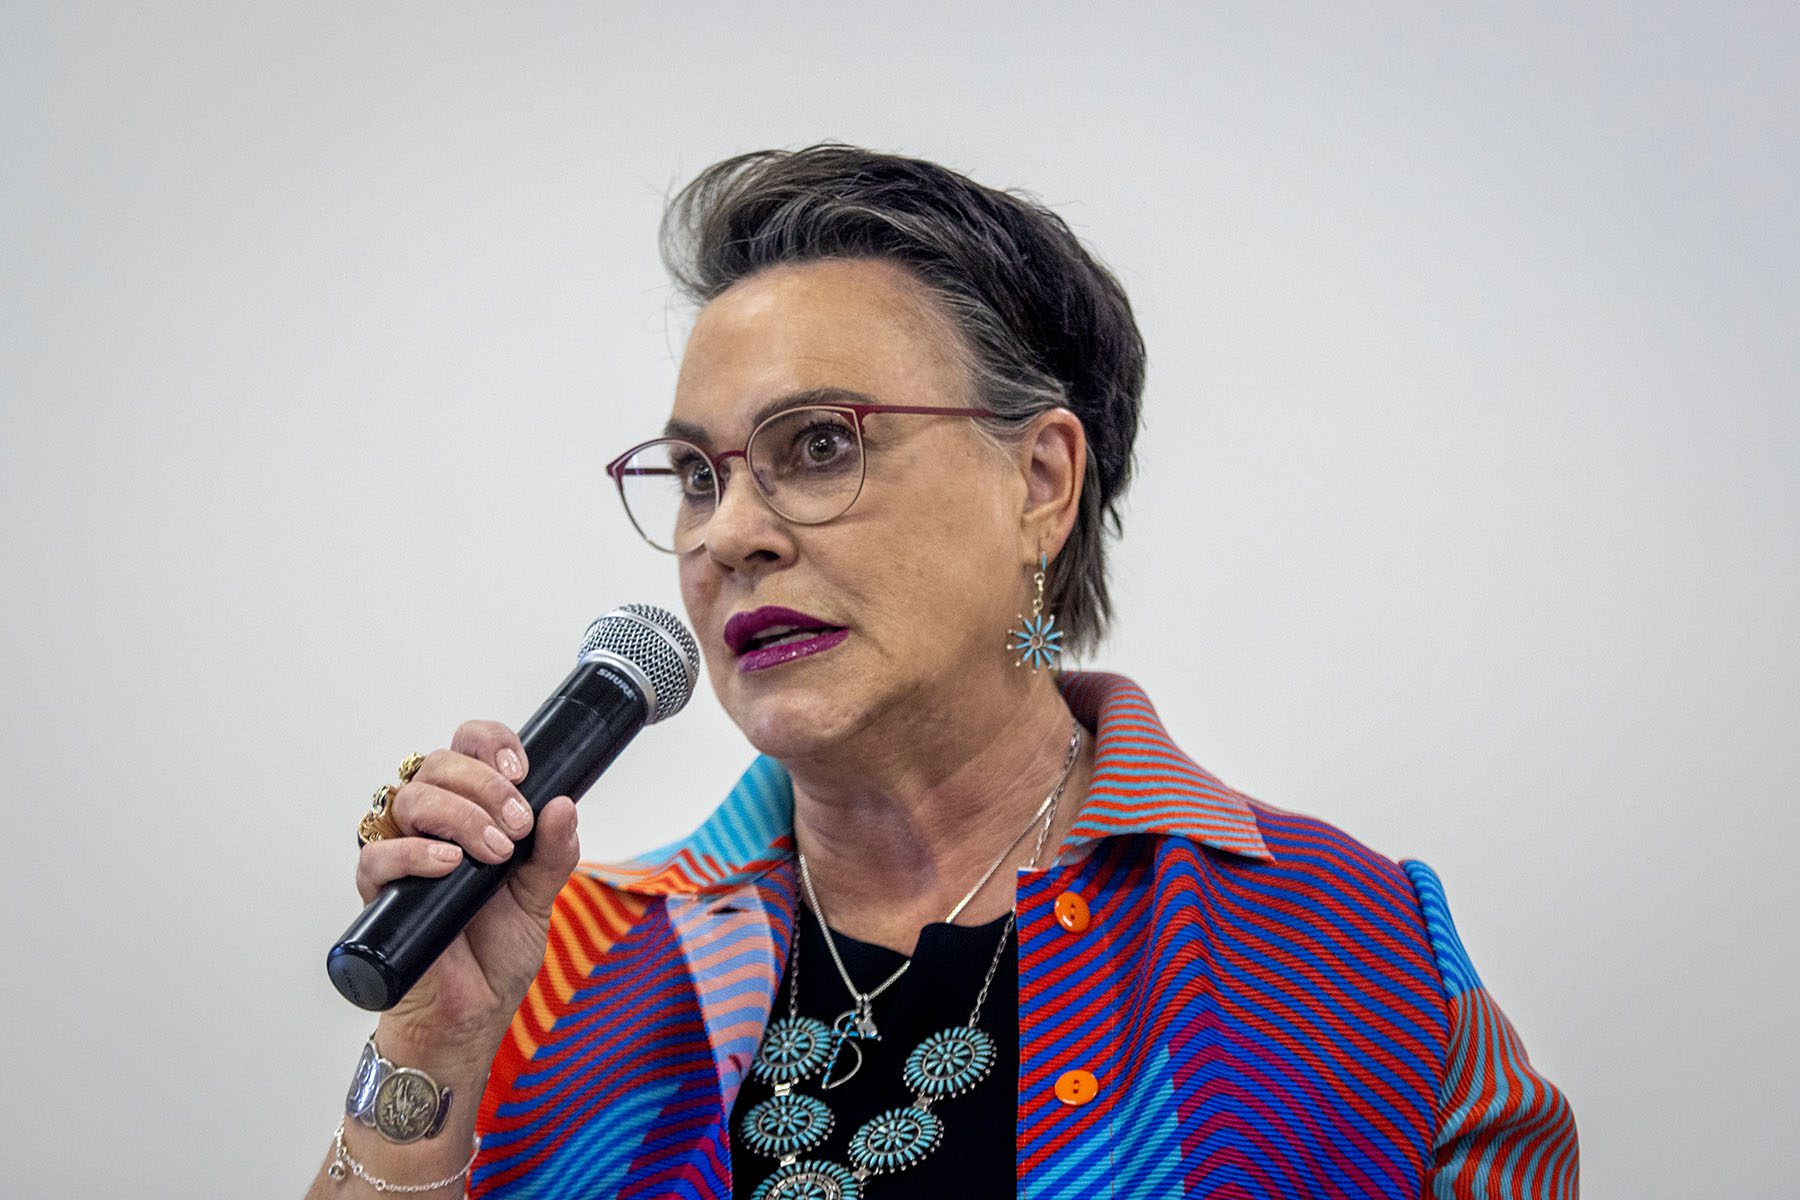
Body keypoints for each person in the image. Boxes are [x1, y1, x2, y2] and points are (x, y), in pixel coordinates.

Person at [306, 144, 1578, 1199]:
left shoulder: (1350, 944)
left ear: (1042, 483)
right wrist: (434, 1045)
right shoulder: (565, 958)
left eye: (817, 445)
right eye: (697, 475)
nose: (729, 533)